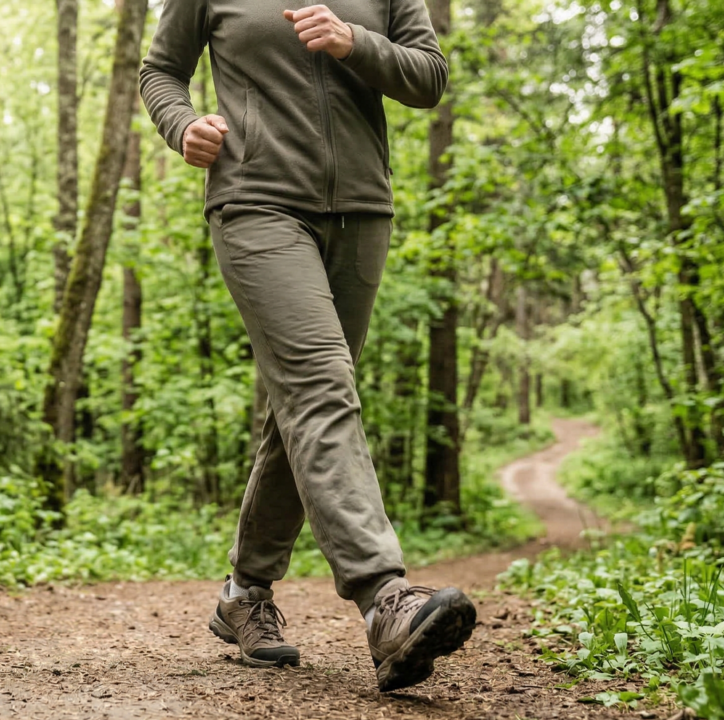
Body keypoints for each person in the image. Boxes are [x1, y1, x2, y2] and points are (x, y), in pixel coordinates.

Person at [139, 0, 476, 693]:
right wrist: (183, 125)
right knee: (322, 386)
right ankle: (384, 598)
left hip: (362, 211)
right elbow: (161, 71)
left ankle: (244, 593)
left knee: (302, 404)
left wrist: (355, 42)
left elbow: (429, 78)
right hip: (255, 202)